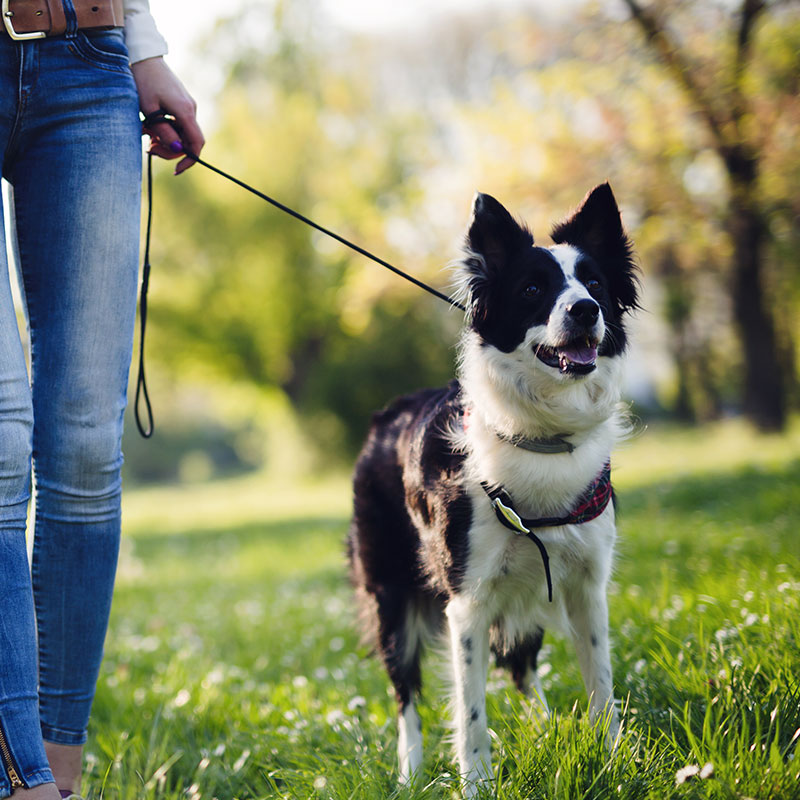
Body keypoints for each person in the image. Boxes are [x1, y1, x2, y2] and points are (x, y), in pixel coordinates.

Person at [0, 1, 204, 797]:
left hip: (88, 60)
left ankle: (57, 772)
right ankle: (23, 777)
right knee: (2, 441)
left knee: (86, 444)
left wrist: (143, 47)